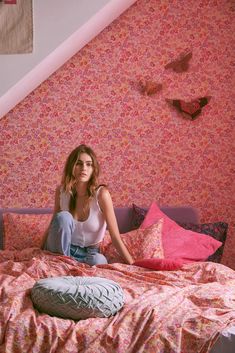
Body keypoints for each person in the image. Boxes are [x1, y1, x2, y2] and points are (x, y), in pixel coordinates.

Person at [44, 144, 133, 266]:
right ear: (72, 167)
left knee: (99, 261)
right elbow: (54, 224)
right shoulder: (61, 191)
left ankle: (70, 265)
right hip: (62, 249)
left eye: (89, 164)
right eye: (79, 164)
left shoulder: (102, 194)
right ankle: (63, 263)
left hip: (89, 254)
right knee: (63, 217)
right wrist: (40, 249)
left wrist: (133, 264)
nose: (83, 168)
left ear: (93, 169)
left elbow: (115, 236)